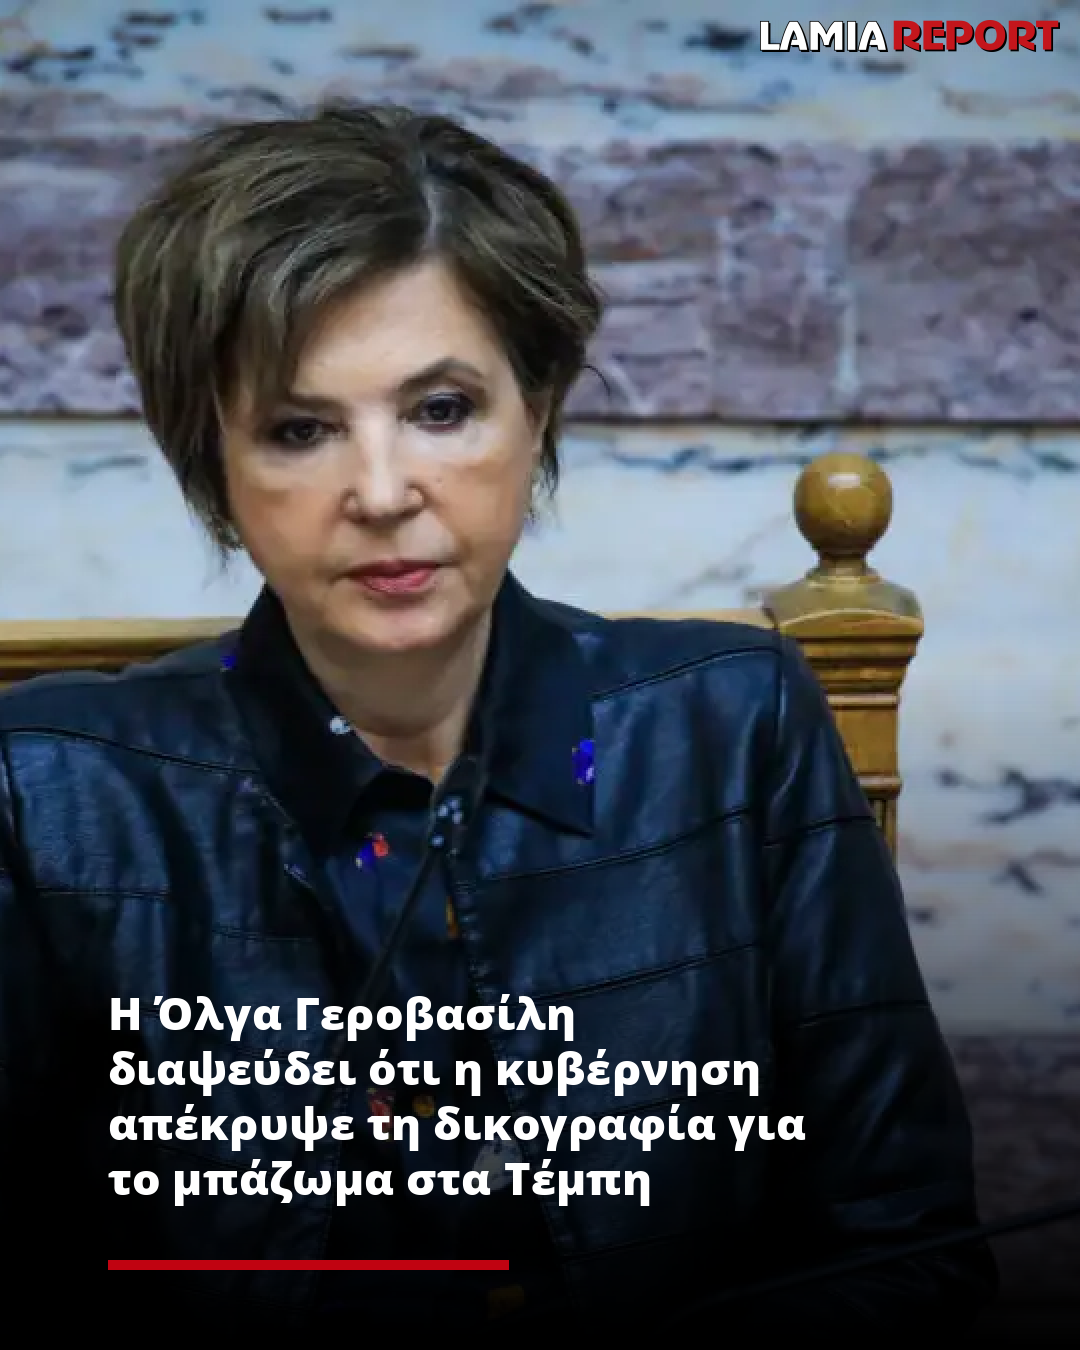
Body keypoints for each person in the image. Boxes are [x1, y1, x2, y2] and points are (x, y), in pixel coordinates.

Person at [0, 100, 996, 1339]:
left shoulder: (734, 728)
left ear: (539, 409)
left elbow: (912, 1256)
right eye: (301, 430)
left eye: (441, 409)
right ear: (215, 463)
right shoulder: (47, 796)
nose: (381, 493)